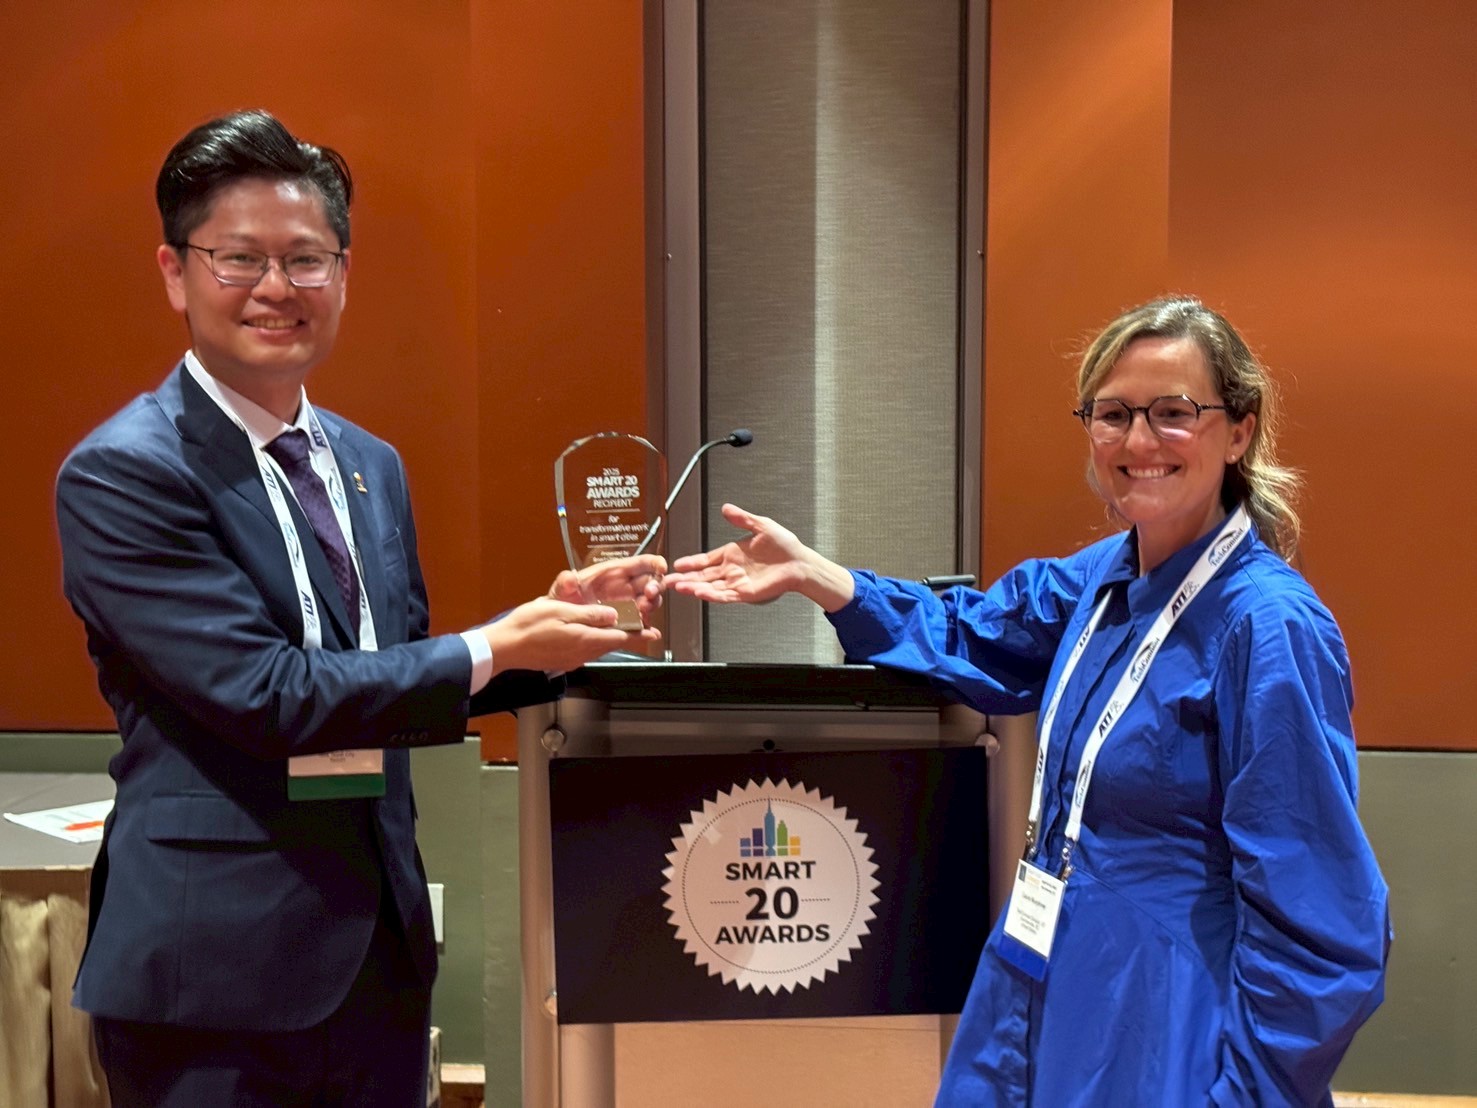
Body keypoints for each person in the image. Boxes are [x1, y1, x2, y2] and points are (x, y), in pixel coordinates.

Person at [54, 109, 664, 1107]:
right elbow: (265, 694)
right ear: (174, 272)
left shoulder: (367, 463)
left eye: (307, 259)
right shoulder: (126, 472)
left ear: (343, 273)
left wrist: (552, 640)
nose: (276, 287)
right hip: (213, 976)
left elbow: (387, 675)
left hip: (377, 955)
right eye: (238, 258)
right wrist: (490, 643)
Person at [666, 297, 1390, 1106]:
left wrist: (1250, 1093)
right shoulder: (1102, 578)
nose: (1138, 442)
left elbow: (1321, 916)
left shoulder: (1268, 627)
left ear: (1238, 431)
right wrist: (819, 577)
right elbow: (977, 632)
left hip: (1168, 1016)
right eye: (1112, 414)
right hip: (1040, 970)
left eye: (1173, 412)